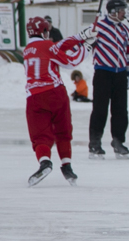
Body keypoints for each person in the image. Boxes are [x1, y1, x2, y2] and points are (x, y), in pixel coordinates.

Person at [23, 16, 89, 186]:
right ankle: (67, 166)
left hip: (35, 97)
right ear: (44, 31)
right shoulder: (47, 45)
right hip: (55, 93)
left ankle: (45, 162)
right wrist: (87, 46)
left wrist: (82, 35)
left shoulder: (27, 49)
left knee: (40, 136)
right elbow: (70, 61)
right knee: (63, 131)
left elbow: (58, 46)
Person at [88, 0, 129, 159]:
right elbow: (85, 45)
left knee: (121, 110)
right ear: (113, 12)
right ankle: (95, 142)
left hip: (120, 74)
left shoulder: (124, 30)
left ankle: (118, 140)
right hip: (103, 73)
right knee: (100, 109)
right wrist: (89, 39)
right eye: (122, 10)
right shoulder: (98, 27)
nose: (124, 13)